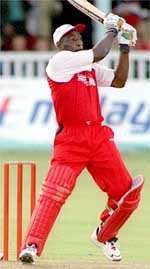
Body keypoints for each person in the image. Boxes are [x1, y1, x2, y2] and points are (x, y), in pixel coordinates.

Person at [19, 13, 144, 264]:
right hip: (71, 139)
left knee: (127, 193)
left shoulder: (89, 68)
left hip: (97, 136)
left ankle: (105, 235)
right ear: (60, 45)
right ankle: (31, 245)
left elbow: (119, 81)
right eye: (70, 37)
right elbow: (98, 53)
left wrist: (124, 48)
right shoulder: (60, 62)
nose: (77, 39)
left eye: (78, 35)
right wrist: (111, 31)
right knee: (54, 193)